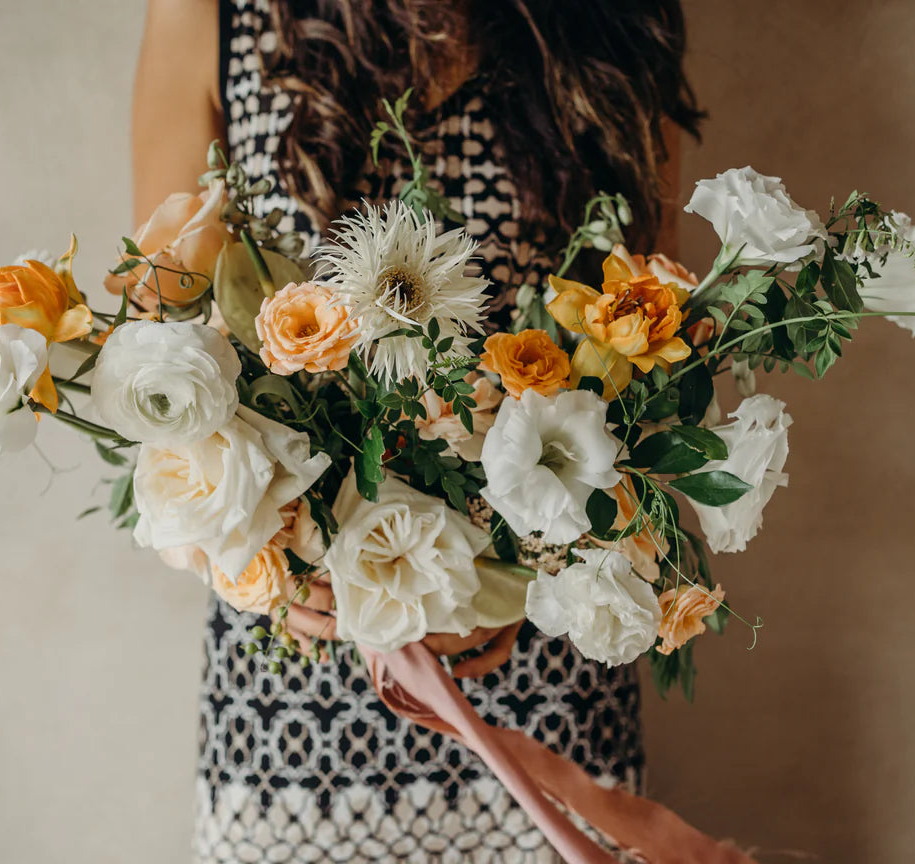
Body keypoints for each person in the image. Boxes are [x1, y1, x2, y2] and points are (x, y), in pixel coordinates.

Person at [132, 1, 704, 859]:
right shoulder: (214, 13)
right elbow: (161, 341)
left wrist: (526, 575)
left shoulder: (615, 19)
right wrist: (277, 556)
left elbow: (654, 346)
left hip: (546, 658)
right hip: (296, 691)